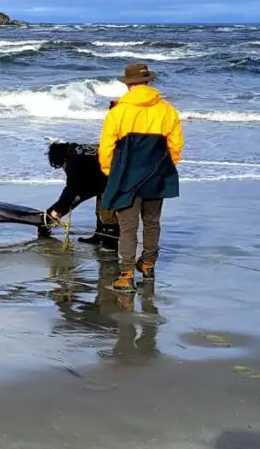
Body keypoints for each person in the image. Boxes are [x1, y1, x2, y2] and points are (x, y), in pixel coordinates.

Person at [98, 63, 184, 291]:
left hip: (126, 175)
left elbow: (106, 148)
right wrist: (165, 166)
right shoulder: (168, 110)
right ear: (148, 83)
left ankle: (126, 274)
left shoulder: (118, 111)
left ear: (128, 85)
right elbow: (176, 146)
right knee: (152, 222)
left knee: (127, 226)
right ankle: (148, 264)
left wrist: (110, 172)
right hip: (157, 173)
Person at [44, 140, 120, 250]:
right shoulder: (78, 149)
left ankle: (110, 244)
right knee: (100, 210)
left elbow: (71, 189)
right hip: (107, 175)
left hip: (113, 178)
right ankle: (99, 237)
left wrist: (58, 209)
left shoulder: (73, 162)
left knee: (106, 213)